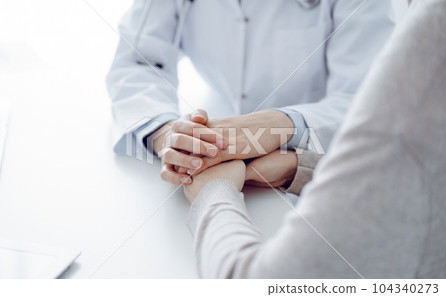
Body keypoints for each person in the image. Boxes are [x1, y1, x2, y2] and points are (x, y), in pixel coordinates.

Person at [183, 0, 446, 278]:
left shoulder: (436, 32)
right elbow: (418, 182)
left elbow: (267, 284)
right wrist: (298, 167)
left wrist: (212, 192)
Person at [107, 0, 395, 186]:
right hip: (223, 150)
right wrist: (169, 134)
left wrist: (281, 125)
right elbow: (137, 62)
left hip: (320, 164)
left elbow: (369, 102)